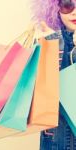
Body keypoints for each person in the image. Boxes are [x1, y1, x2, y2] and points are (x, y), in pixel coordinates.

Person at [30, 0, 76, 149]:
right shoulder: (49, 39)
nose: (74, 12)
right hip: (54, 142)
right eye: (68, 5)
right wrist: (51, 46)